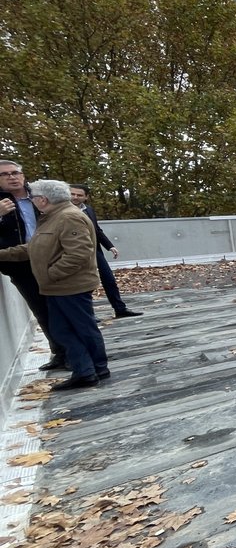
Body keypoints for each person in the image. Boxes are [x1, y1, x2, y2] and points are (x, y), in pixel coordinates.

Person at [0, 180, 109, 390]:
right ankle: (88, 371)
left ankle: (93, 370)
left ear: (43, 199)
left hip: (69, 286)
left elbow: (79, 253)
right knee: (62, 330)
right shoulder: (52, 217)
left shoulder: (68, 217)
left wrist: (51, 274)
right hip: (58, 286)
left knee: (81, 328)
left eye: (33, 197)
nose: (31, 201)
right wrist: (3, 254)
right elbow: (34, 248)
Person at [0, 160, 67, 370]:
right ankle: (60, 353)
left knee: (65, 308)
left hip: (53, 260)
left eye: (15, 172)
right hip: (20, 264)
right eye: (5, 174)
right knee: (41, 310)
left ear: (23, 175)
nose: (12, 177)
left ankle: (78, 353)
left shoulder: (42, 195)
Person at [68, 184, 141, 318]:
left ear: (86, 197)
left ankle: (120, 309)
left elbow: (97, 230)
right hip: (74, 252)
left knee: (109, 279)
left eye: (79, 195)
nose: (75, 197)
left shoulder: (88, 210)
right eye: (72, 194)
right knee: (84, 284)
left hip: (94, 250)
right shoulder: (61, 211)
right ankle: (88, 315)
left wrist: (110, 246)